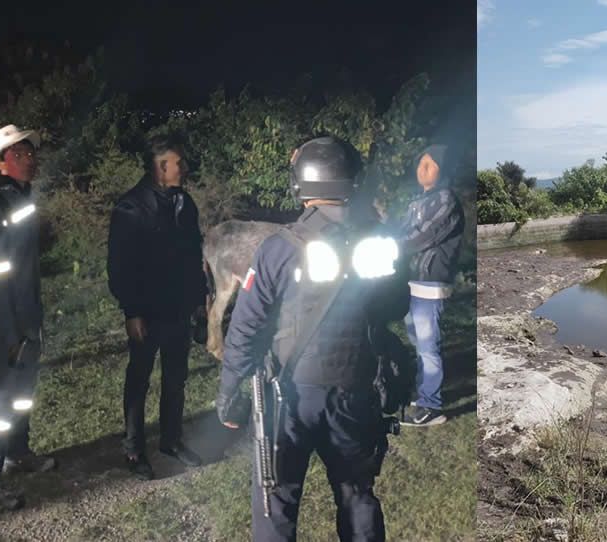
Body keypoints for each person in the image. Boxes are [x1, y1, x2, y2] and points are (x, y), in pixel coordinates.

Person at [216, 136, 399, 541]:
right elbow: (395, 306)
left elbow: (245, 327)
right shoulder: (378, 241)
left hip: (290, 397)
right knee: (357, 495)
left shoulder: (278, 249)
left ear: (302, 187)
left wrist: (229, 393)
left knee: (275, 505)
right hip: (356, 391)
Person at [0, 124, 56, 510]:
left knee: (20, 398)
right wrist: (8, 333)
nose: (29, 159)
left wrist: (31, 321)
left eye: (30, 153)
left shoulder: (21, 198)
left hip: (26, 318)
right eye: (18, 154)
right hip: (6, 324)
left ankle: (17, 453)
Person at [107, 134, 207, 480]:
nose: (185, 168)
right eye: (179, 162)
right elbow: (119, 265)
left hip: (179, 306)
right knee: (139, 379)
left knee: (175, 379)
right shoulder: (131, 208)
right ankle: (134, 450)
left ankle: (171, 440)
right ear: (162, 167)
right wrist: (131, 311)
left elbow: (195, 255)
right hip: (147, 311)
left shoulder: (184, 203)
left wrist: (199, 298)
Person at [397, 144, 464, 427]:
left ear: (443, 168)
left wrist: (393, 246)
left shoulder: (446, 200)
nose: (422, 168)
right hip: (413, 281)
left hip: (431, 282)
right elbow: (401, 230)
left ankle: (432, 408)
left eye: (430, 163)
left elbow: (424, 236)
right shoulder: (419, 200)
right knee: (417, 341)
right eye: (421, 163)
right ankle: (425, 393)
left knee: (427, 347)